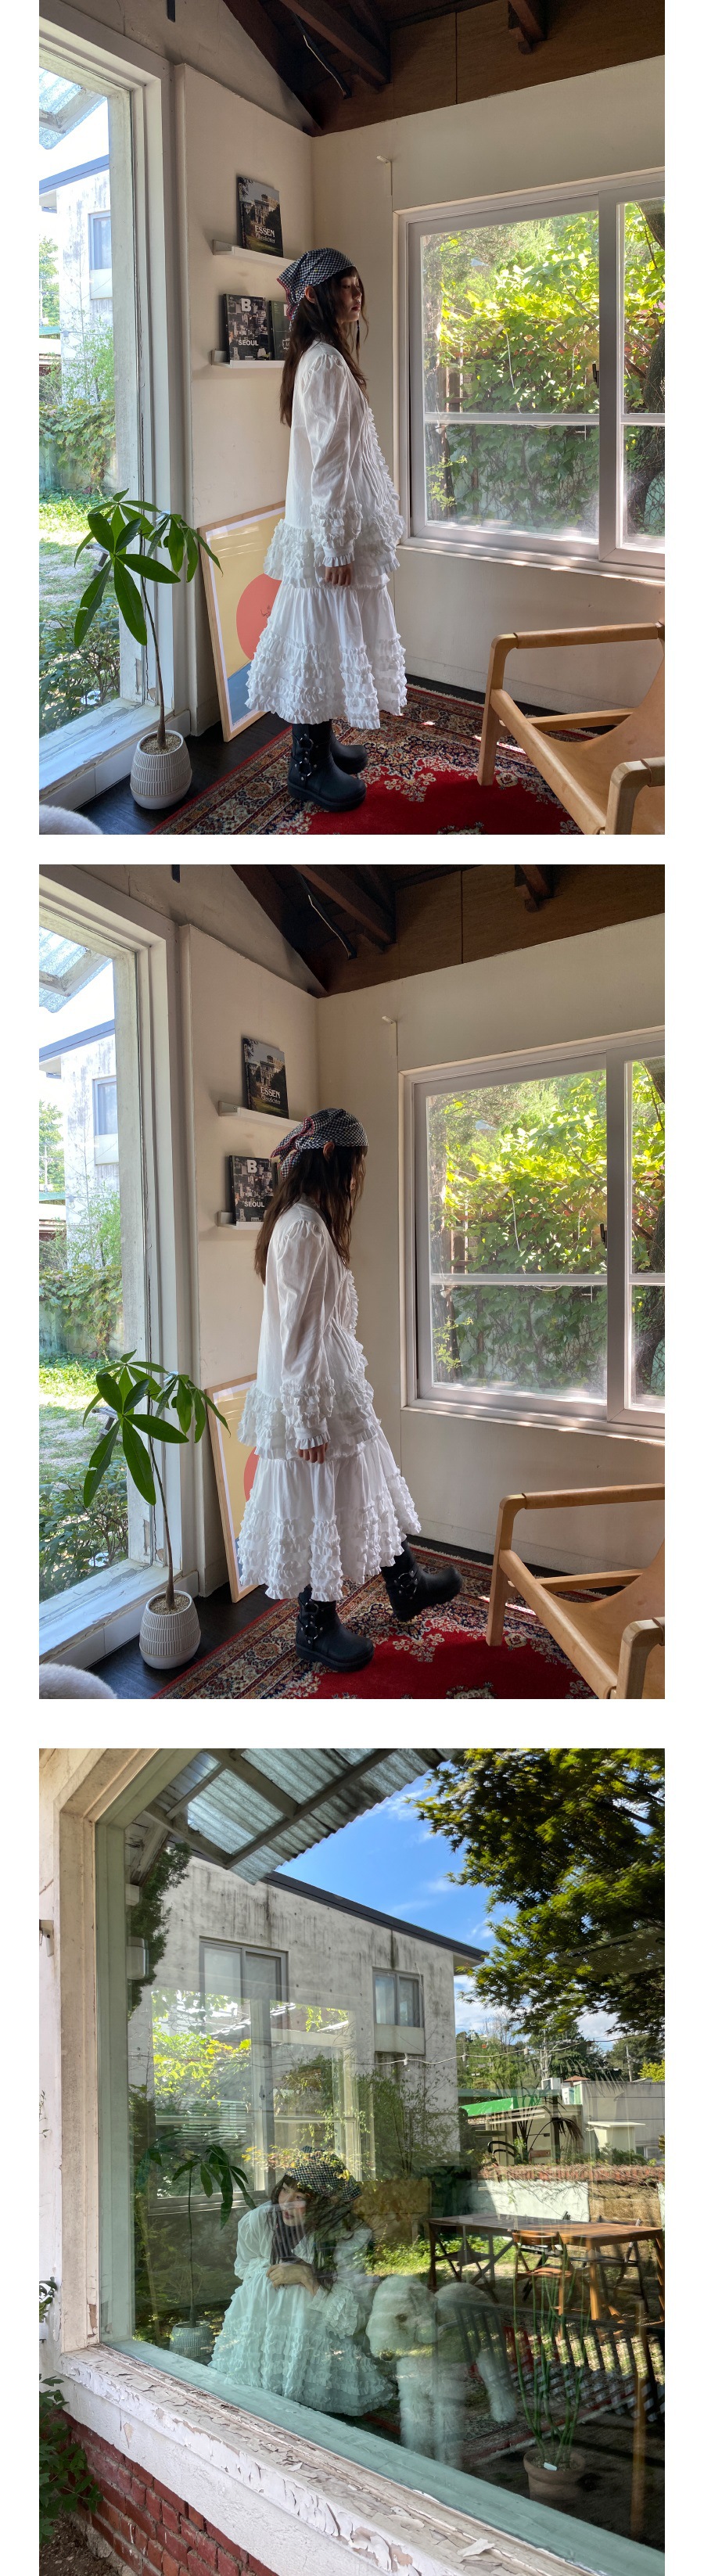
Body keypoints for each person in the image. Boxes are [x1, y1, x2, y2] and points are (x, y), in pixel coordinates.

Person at [236, 1108, 461, 1672]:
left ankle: (405, 1583)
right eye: (356, 1166)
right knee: (321, 1498)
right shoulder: (306, 1228)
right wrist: (308, 1421)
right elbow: (300, 1333)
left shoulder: (303, 1221)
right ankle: (314, 1626)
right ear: (333, 1156)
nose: (357, 1179)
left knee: (366, 1476)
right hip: (313, 1391)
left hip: (329, 1383)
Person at [246, 249, 406, 816]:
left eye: (359, 286)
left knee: (330, 633)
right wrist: (336, 545)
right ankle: (307, 767)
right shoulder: (326, 364)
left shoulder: (320, 358)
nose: (356, 295)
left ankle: (321, 744)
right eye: (345, 286)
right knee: (320, 631)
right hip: (326, 531)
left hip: (328, 523)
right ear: (315, 296)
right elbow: (331, 462)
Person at [210, 2157, 389, 2416]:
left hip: (315, 2347)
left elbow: (354, 2321)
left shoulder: (348, 2236)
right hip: (264, 2338)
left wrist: (306, 2277)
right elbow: (245, 2271)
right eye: (285, 2190)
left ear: (324, 2204)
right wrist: (277, 2271)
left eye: (300, 2197)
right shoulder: (259, 2221)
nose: (286, 2202)